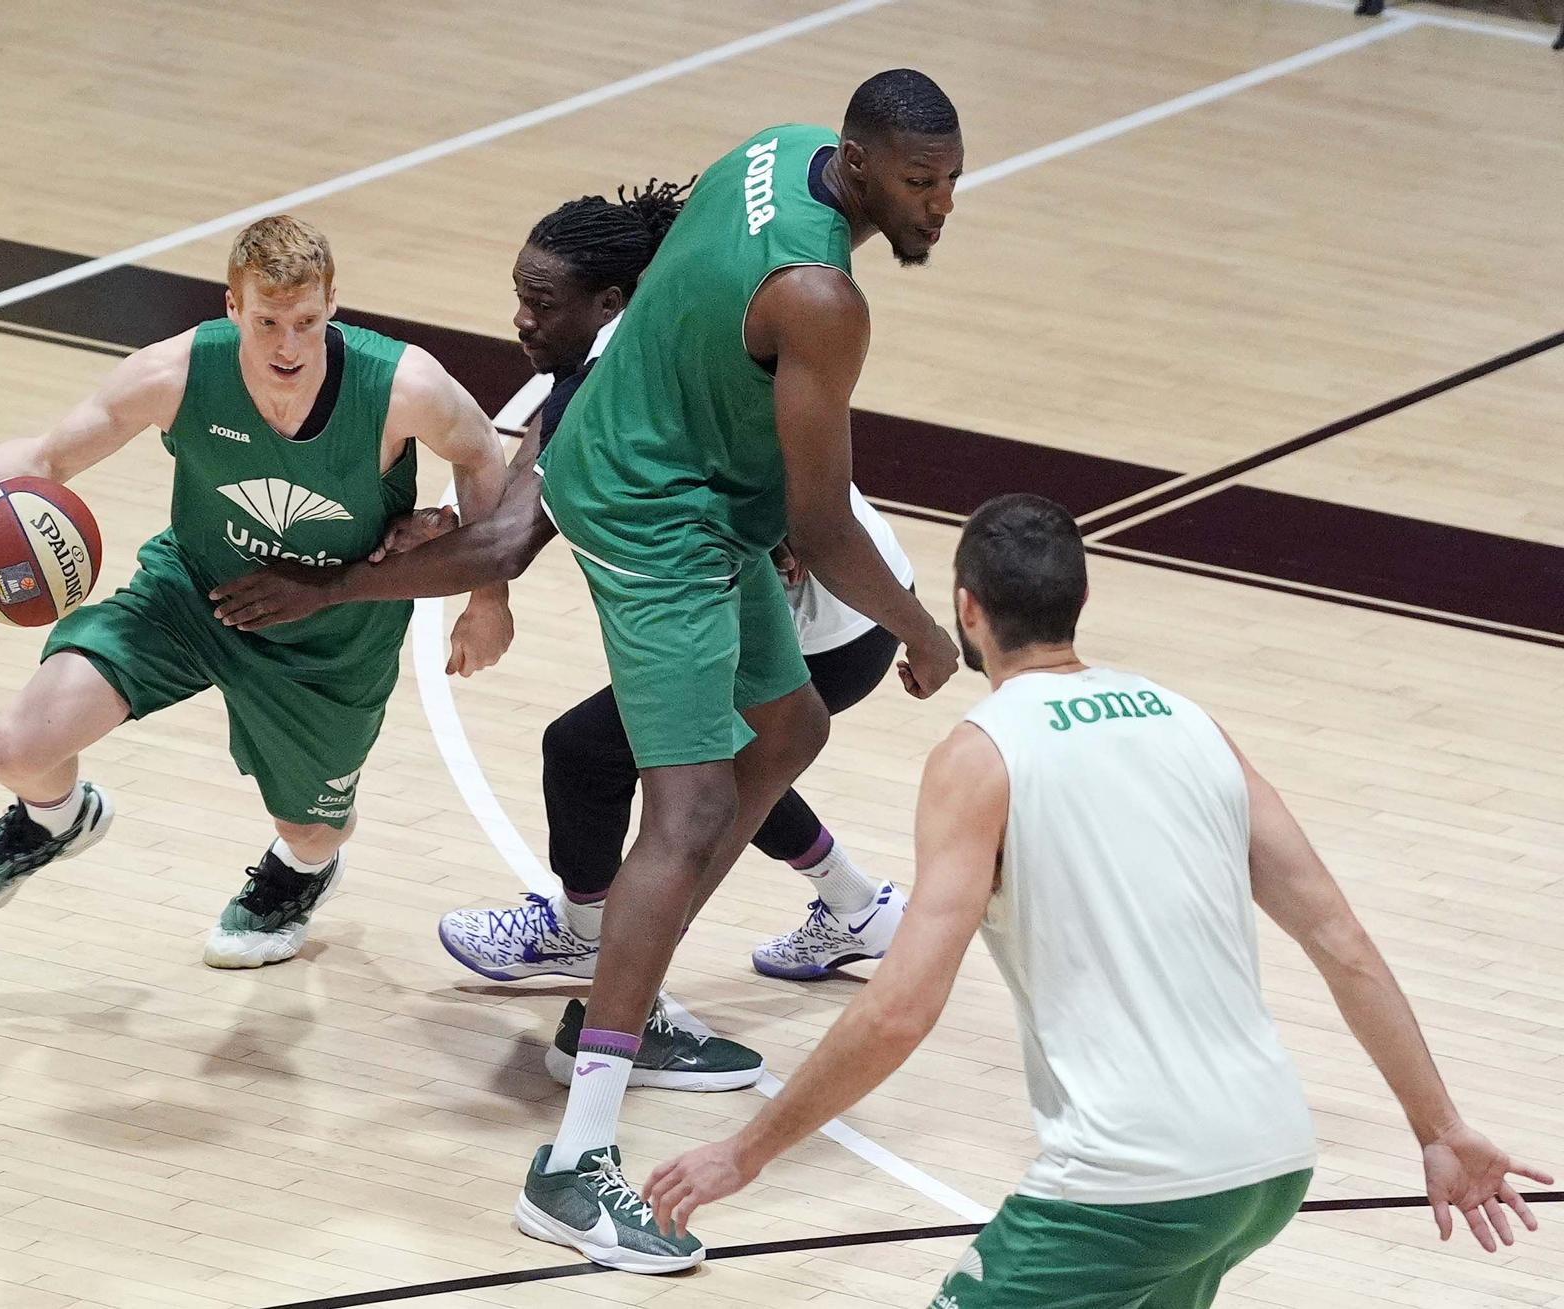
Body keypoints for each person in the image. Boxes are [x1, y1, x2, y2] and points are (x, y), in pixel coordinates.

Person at [211, 69, 966, 1272]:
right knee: (689, 805)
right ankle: (574, 1161)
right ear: (860, 164)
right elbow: (821, 528)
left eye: (951, 182)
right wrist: (924, 629)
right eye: (920, 184)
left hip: (685, 476)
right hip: (659, 514)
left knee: (785, 732)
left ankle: (623, 988)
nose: (939, 207)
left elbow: (688, 327)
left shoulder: (772, 149)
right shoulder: (822, 295)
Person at [643, 493, 1553, 1304]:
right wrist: (1440, 1126)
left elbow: (899, 1010)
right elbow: (1339, 937)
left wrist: (746, 1148)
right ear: (1078, 602)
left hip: (1131, 1182)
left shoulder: (981, 753)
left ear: (966, 609)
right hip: (1270, 1163)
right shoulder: (1191, 722)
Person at [0, 215, 511, 968]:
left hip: (332, 631)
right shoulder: (175, 374)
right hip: (192, 594)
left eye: (304, 321)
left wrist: (486, 597)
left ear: (333, 302)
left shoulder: (403, 385)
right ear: (232, 307)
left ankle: (303, 871)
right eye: (266, 321)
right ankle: (55, 817)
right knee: (14, 748)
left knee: (314, 830)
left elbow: (481, 452)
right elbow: (46, 457)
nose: (287, 346)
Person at [434, 184, 915, 1005]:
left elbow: (790, 511)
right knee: (721, 769)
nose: (520, 318)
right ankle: (857, 905)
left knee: (595, 757)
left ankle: (586, 938)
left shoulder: (653, 366)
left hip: (831, 624)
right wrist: (488, 594)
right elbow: (536, 463)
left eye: (539, 301)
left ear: (611, 300)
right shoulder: (628, 352)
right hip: (858, 610)